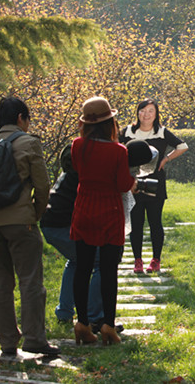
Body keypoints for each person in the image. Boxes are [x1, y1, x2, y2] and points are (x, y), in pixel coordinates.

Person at [0, 97, 60, 356]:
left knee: (1, 284)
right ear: (20, 118)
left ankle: (6, 342)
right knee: (30, 282)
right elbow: (43, 186)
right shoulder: (28, 142)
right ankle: (34, 338)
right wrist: (34, 215)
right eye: (27, 119)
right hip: (21, 222)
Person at [70, 96, 136, 346]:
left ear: (85, 124)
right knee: (109, 271)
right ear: (111, 122)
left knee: (82, 268)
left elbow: (78, 171)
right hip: (109, 211)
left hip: (84, 208)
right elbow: (121, 184)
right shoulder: (119, 151)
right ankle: (108, 325)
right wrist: (133, 182)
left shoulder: (77, 146)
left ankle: (82, 323)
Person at [40, 146, 123, 335]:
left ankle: (64, 312)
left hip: (50, 225)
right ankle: (95, 318)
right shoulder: (82, 178)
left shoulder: (68, 176)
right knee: (101, 262)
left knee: (76, 261)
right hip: (62, 227)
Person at [120, 99, 188, 274]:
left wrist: (166, 159)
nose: (146, 114)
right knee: (136, 222)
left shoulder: (162, 132)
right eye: (142, 110)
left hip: (156, 182)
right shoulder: (128, 131)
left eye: (150, 111)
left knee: (155, 221)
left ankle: (156, 260)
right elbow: (115, 149)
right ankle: (137, 261)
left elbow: (182, 146)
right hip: (133, 183)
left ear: (156, 114)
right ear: (138, 113)